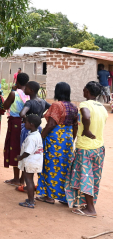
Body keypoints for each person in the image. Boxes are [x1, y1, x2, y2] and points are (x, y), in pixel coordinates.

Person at [65, 81, 108, 217]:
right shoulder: (102, 107)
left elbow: (86, 115)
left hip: (85, 148)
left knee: (85, 177)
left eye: (84, 90)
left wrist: (87, 130)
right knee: (94, 177)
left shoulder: (85, 104)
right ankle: (87, 204)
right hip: (99, 148)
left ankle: (90, 209)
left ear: (87, 92)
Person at [36, 82, 78, 205]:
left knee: (49, 165)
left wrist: (41, 137)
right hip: (67, 139)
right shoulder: (74, 107)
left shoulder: (57, 105)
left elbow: (51, 124)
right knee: (65, 167)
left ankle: (48, 196)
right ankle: (64, 196)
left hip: (55, 139)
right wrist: (72, 139)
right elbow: (75, 125)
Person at [3, 72, 30, 185]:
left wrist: (12, 91)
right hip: (27, 124)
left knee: (15, 148)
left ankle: (16, 178)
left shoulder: (14, 94)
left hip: (15, 123)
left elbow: (5, 106)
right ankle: (22, 180)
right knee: (24, 149)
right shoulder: (29, 94)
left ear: (16, 81)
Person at [17, 114, 44, 209]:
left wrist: (20, 157)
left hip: (30, 161)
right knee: (30, 180)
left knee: (28, 181)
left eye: (26, 122)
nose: (25, 123)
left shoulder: (31, 138)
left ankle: (31, 202)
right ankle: (31, 200)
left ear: (31, 124)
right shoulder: (37, 134)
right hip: (35, 160)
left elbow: (27, 152)